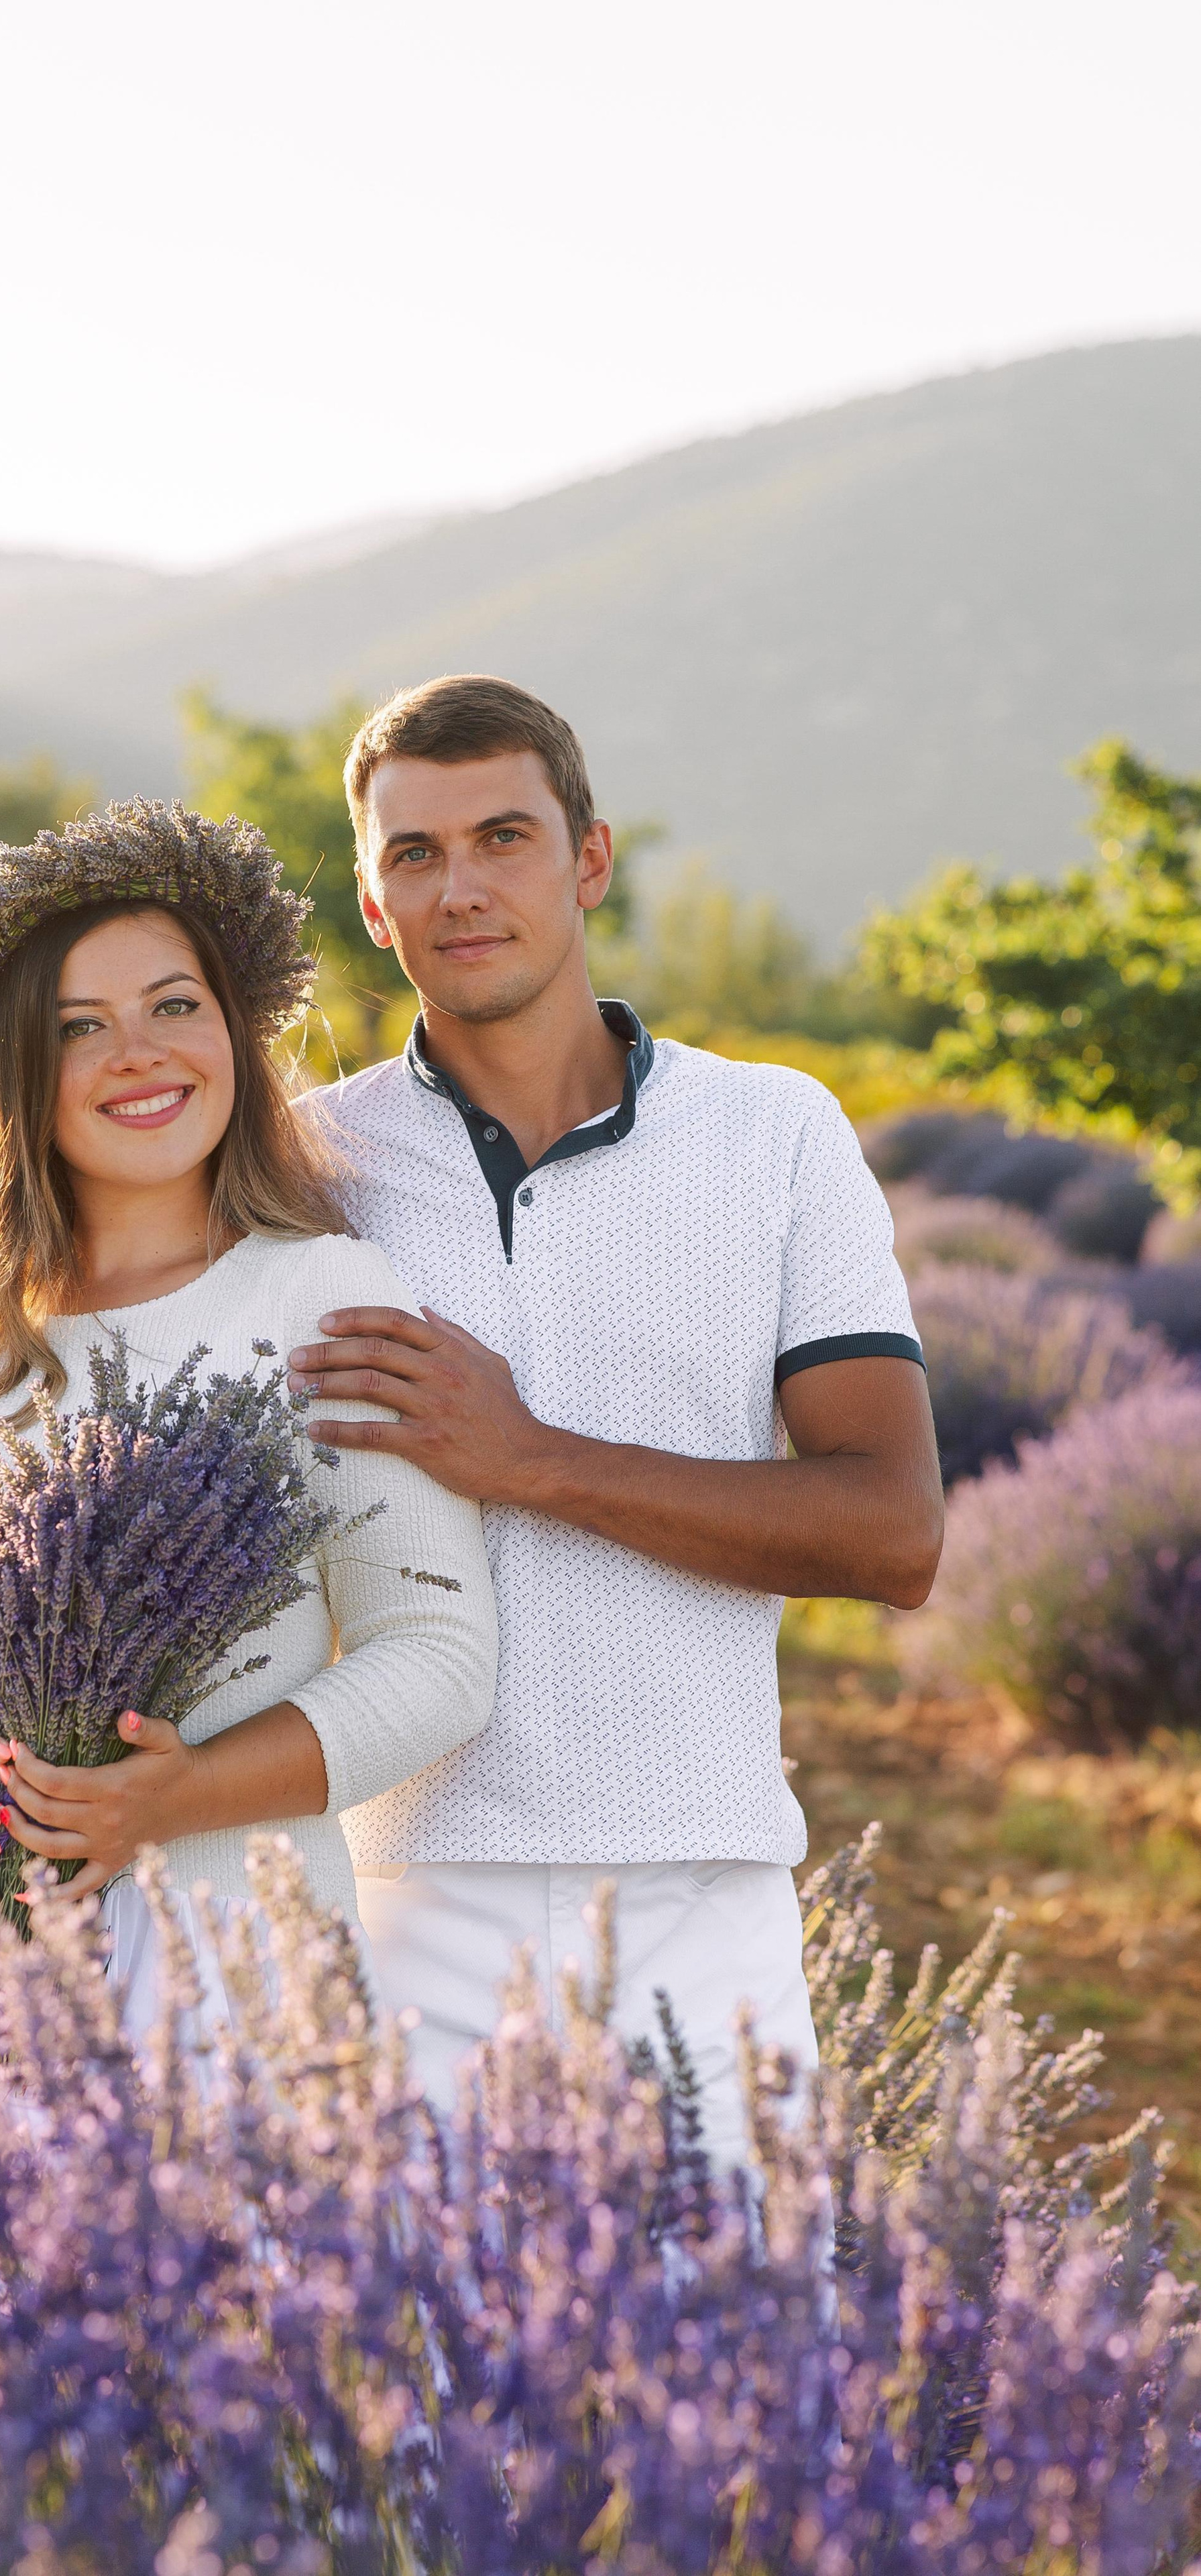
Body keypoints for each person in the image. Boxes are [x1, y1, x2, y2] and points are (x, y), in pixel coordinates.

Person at [278, 674, 944, 2169]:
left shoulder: (774, 1134)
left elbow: (891, 1534)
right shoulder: (302, 1166)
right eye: (413, 855)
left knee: (741, 2394)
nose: (461, 888)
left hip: (697, 1890)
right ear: (374, 908)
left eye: (502, 836)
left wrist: (527, 1462)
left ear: (588, 860)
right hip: (396, 1892)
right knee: (429, 2399)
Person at [0, 800, 496, 2029]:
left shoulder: (319, 1293)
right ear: (21, 1080)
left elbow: (439, 1654)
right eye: (78, 1028)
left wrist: (178, 1793)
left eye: (174, 1006)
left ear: (238, 1034)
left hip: (225, 1960)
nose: (137, 1052)